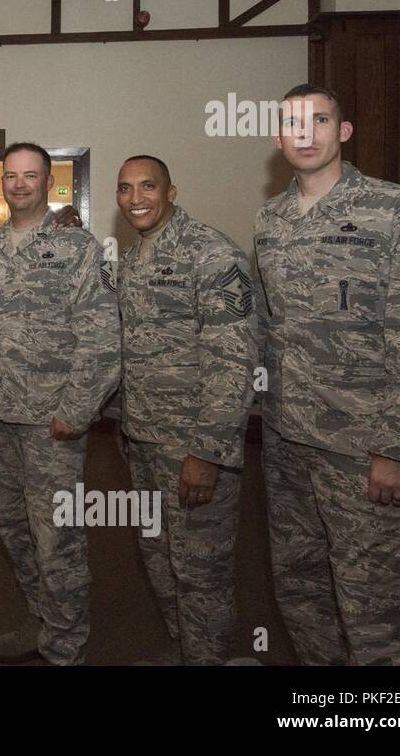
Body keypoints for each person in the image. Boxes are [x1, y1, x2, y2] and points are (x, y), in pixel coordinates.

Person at [255, 83, 400, 665]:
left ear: (343, 132)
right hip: (288, 444)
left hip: (364, 448)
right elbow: (270, 328)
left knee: (378, 609)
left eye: (319, 121)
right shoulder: (271, 219)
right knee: (302, 594)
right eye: (293, 123)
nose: (305, 133)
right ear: (278, 139)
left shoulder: (398, 211)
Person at [0, 142, 120, 665]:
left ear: (49, 184)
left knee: (57, 537)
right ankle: (41, 618)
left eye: (31, 176)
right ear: (1, 182)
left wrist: (77, 410)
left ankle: (66, 645)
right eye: (11, 176)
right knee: (14, 528)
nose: (20, 184)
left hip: (52, 423)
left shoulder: (79, 248)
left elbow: (101, 338)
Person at [114, 154, 256, 665]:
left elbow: (234, 358)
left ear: (171, 191)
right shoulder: (131, 259)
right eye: (125, 188)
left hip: (192, 445)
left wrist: (208, 452)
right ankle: (186, 650)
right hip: (144, 438)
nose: (136, 198)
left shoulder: (212, 254)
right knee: (159, 560)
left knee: (201, 573)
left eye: (148, 186)